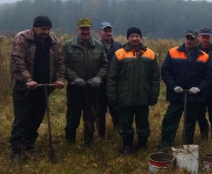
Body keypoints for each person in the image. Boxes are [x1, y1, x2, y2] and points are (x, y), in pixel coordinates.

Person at [8, 16, 66, 163]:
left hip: (44, 87)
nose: (46, 32)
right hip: (24, 87)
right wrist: (27, 79)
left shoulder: (54, 41)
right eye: (43, 29)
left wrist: (59, 79)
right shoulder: (21, 39)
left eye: (48, 29)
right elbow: (17, 61)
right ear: (34, 28)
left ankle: (29, 145)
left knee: (37, 117)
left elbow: (61, 62)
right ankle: (17, 150)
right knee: (22, 117)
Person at [107, 27, 160, 155]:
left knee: (143, 123)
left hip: (143, 95)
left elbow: (155, 77)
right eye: (132, 36)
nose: (135, 38)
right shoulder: (119, 54)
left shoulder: (150, 54)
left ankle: (142, 145)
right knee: (125, 123)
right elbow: (112, 77)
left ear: (141, 37)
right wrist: (112, 96)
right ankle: (127, 146)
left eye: (137, 36)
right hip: (125, 96)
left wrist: (154, 94)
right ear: (127, 38)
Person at [159, 30, 212, 151]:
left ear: (197, 41)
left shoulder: (204, 56)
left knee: (190, 123)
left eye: (192, 39)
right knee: (169, 120)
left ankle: (187, 147)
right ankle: (165, 146)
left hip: (193, 96)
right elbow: (165, 72)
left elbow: (209, 76)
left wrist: (199, 88)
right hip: (176, 95)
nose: (189, 41)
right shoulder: (173, 52)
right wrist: (173, 86)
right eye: (187, 38)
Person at [63, 18, 108, 146]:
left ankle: (88, 142)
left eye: (87, 29)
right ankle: (70, 142)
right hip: (75, 89)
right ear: (78, 30)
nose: (85, 31)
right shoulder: (68, 45)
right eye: (82, 29)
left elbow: (104, 66)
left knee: (91, 117)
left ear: (91, 30)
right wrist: (74, 78)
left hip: (92, 89)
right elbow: (63, 66)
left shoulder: (98, 46)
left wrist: (99, 78)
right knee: (73, 117)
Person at [96, 22, 122, 139]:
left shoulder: (119, 46)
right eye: (105, 31)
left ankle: (118, 133)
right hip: (99, 85)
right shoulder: (95, 45)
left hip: (115, 86)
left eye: (109, 31)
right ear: (100, 32)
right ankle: (101, 135)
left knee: (116, 110)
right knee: (99, 111)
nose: (108, 33)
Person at [196, 27, 212, 142]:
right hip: (199, 90)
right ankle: (204, 138)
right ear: (199, 38)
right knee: (200, 116)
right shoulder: (193, 50)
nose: (205, 39)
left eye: (208, 37)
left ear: (211, 38)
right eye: (203, 37)